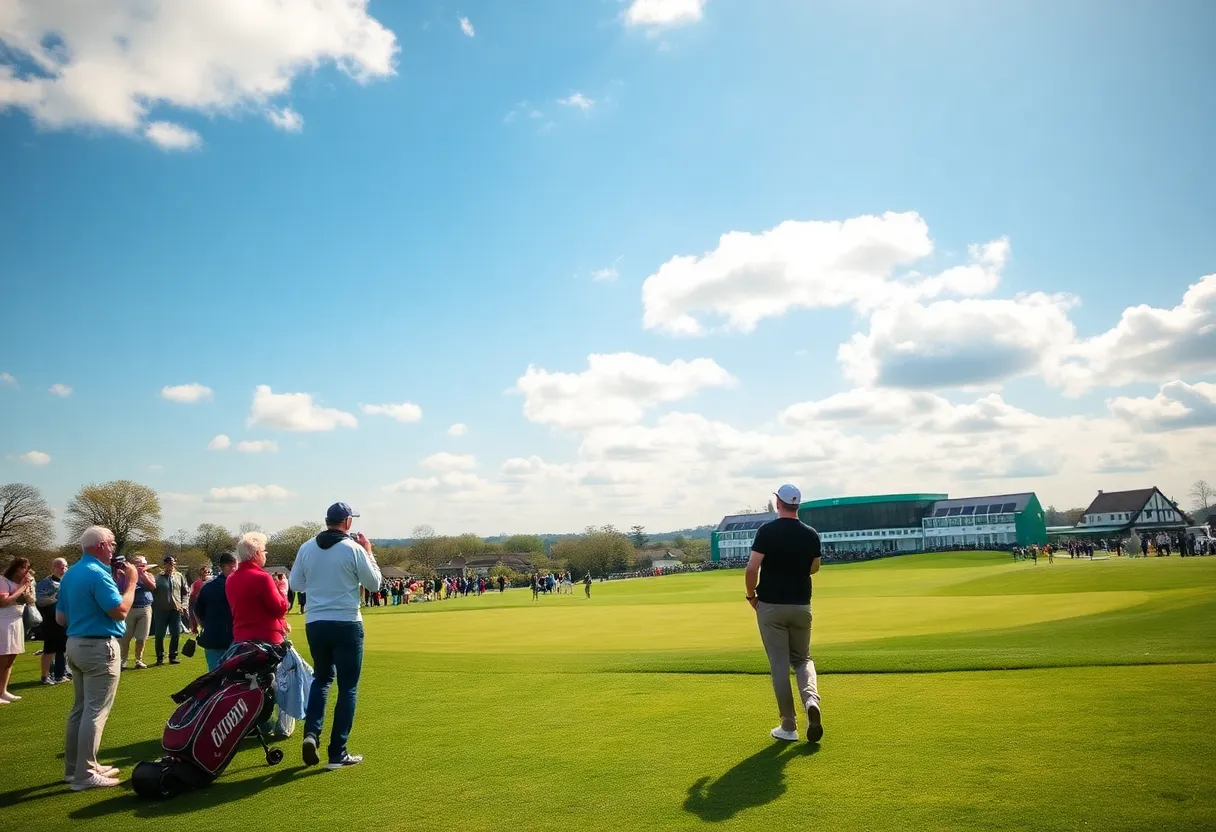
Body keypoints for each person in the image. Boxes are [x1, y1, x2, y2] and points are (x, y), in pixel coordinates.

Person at [290, 502, 381, 770]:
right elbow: (374, 583)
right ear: (348, 522)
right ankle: (337, 751)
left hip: (316, 622)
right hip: (346, 622)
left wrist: (319, 583)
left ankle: (311, 734)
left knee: (322, 679)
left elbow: (295, 584)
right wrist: (369, 552)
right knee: (348, 686)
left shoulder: (306, 548)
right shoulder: (353, 549)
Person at [57, 526, 138, 790]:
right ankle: (85, 774)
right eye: (112, 543)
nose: (114, 548)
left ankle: (75, 768)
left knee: (79, 709)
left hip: (75, 643)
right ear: (102, 545)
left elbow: (60, 618)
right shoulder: (96, 574)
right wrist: (133, 581)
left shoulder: (71, 575)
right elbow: (120, 611)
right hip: (98, 647)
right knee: (94, 712)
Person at [745, 484, 823, 744]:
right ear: (797, 504)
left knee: (779, 664)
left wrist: (751, 596)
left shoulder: (766, 532)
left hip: (770, 606)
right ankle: (811, 699)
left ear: (778, 503)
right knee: (802, 659)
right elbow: (814, 568)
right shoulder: (811, 534)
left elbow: (751, 568)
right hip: (801, 605)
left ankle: (789, 726)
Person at [0, 556, 36, 703]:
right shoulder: (3, 581)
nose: (27, 571)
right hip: (3, 621)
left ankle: (3, 691)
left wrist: (28, 590)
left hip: (17, 621)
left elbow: (32, 601)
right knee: (2, 659)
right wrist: (21, 588)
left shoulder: (25, 582)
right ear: (16, 568)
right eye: (24, 568)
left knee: (10, 660)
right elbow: (3, 602)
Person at [194, 553, 237, 671]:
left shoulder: (207, 587)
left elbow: (197, 612)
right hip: (233, 639)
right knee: (236, 678)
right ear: (230, 566)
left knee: (214, 678)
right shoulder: (237, 586)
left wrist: (205, 625)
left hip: (212, 638)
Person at [37, 558, 71, 685]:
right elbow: (40, 601)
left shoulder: (68, 581)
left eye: (65, 567)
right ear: (53, 568)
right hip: (50, 620)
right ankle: (45, 676)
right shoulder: (46, 582)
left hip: (64, 620)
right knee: (49, 649)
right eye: (60, 567)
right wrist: (56, 597)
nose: (63, 569)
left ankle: (60, 674)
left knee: (63, 648)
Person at [118, 556, 156, 669]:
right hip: (130, 609)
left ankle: (138, 660)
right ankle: (122, 661)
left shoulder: (149, 575)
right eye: (140, 565)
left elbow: (152, 587)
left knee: (142, 637)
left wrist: (143, 575)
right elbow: (122, 589)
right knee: (125, 637)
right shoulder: (126, 576)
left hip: (145, 608)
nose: (142, 567)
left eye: (144, 565)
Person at [151, 555, 189, 665]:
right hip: (161, 610)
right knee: (159, 634)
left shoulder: (179, 576)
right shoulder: (157, 577)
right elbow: (152, 593)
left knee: (176, 633)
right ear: (164, 565)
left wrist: (184, 605)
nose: (170, 566)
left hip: (175, 610)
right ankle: (160, 656)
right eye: (168, 564)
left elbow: (185, 592)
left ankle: (173, 656)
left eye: (172, 564)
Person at [188, 563, 212, 632]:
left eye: (207, 572)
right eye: (204, 571)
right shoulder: (196, 583)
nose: (206, 573)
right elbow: (193, 596)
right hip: (198, 604)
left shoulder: (212, 582)